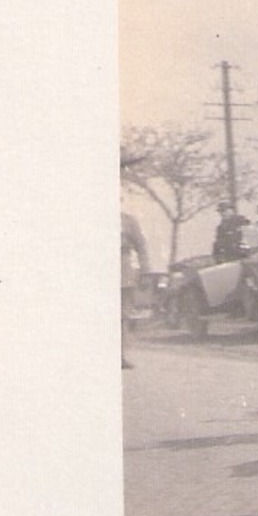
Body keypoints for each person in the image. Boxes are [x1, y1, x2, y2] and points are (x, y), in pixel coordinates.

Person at [121, 151, 151, 370]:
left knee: (123, 316)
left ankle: (119, 355)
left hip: (122, 273)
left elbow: (141, 246)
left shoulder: (128, 222)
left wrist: (145, 271)